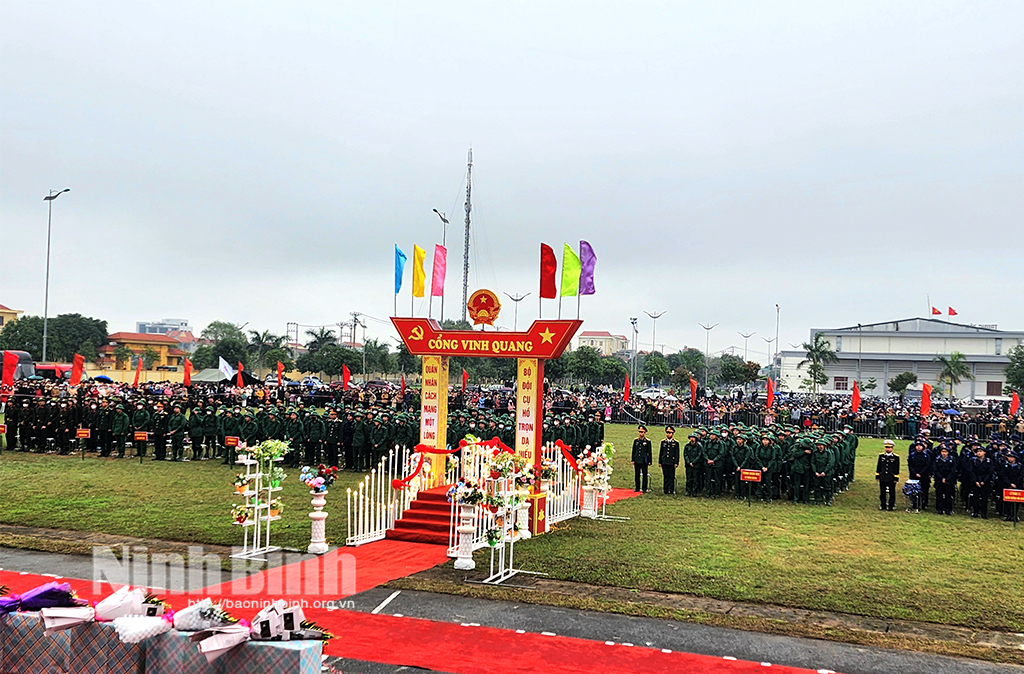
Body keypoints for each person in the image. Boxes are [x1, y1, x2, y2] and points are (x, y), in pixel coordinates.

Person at [968, 447, 993, 519]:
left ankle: (984, 513)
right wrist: (975, 481)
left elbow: (990, 472)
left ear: (984, 452)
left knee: (984, 498)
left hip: (985, 482)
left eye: (981, 451)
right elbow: (971, 471)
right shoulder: (973, 460)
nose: (979, 453)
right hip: (975, 481)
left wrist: (984, 481)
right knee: (975, 497)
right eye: (978, 451)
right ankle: (975, 512)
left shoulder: (989, 461)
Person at [932, 446, 958, 515]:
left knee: (948, 495)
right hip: (939, 479)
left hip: (949, 480)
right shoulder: (937, 459)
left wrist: (947, 478)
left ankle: (948, 509)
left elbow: (953, 470)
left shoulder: (952, 460)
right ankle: (939, 509)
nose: (944, 453)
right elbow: (935, 469)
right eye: (942, 452)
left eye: (945, 452)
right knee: (939, 495)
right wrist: (941, 478)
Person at [875, 439, 899, 511]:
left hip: (891, 477)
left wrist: (896, 477)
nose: (888, 449)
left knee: (892, 492)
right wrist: (877, 475)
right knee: (882, 492)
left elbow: (896, 468)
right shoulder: (881, 456)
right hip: (883, 477)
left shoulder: (895, 457)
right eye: (886, 447)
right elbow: (879, 466)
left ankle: (891, 505)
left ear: (892, 448)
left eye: (889, 447)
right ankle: (883, 505)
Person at [658, 426, 679, 495]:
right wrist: (660, 461)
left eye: (670, 433)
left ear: (672, 434)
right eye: (667, 433)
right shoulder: (663, 442)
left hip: (671, 462)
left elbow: (676, 454)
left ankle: (671, 489)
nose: (668, 434)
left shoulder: (675, 443)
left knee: (671, 476)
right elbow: (661, 452)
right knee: (665, 476)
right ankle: (665, 490)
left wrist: (676, 462)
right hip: (665, 461)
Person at [631, 425, 652, 493]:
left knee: (644, 474)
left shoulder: (647, 441)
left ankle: (644, 488)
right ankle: (637, 487)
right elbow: (634, 451)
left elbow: (649, 452)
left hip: (644, 460)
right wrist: (633, 459)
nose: (641, 433)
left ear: (645, 433)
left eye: (642, 432)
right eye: (640, 432)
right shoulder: (636, 441)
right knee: (637, 474)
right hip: (637, 459)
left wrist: (649, 461)